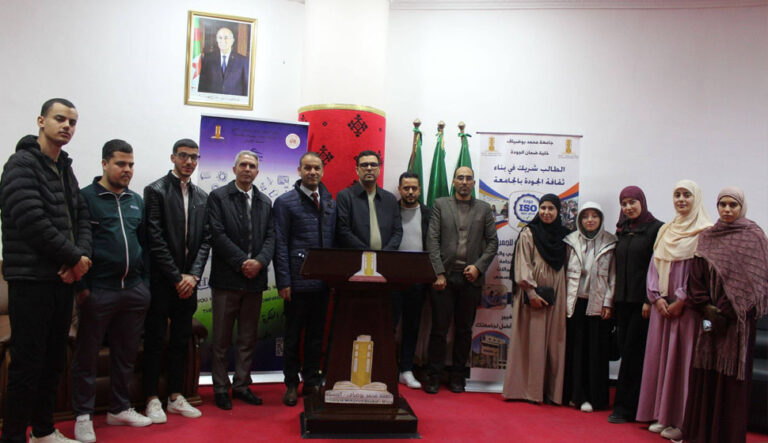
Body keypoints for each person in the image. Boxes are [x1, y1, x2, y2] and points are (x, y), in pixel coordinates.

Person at [0, 98, 92, 443]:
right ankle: (13, 436)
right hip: (31, 280)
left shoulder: (64, 166)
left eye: (72, 122)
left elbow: (81, 217)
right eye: (60, 119)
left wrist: (81, 258)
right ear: (41, 121)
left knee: (54, 361)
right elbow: (31, 220)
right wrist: (73, 258)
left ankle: (42, 431)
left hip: (63, 279)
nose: (67, 126)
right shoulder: (21, 164)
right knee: (27, 364)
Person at [71, 140, 152, 442]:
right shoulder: (85, 198)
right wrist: (82, 288)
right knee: (87, 356)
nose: (127, 169)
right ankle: (83, 415)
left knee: (125, 354)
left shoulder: (136, 200)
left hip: (133, 291)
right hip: (99, 290)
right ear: (104, 164)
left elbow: (144, 245)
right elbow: (76, 244)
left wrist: (144, 285)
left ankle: (119, 408)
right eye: (120, 163)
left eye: (131, 164)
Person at [681, 187, 768, 443]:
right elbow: (695, 277)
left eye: (733, 205)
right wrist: (706, 307)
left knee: (731, 381)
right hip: (709, 318)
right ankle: (700, 435)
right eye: (723, 204)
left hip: (738, 323)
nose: (727, 210)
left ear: (742, 207)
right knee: (705, 373)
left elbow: (759, 284)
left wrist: (727, 312)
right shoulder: (707, 237)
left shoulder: (754, 237)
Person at [636, 180, 712, 441]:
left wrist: (681, 299)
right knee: (660, 359)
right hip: (663, 308)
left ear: (696, 198)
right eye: (677, 195)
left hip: (686, 310)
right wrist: (655, 297)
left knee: (682, 362)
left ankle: (682, 420)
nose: (681, 200)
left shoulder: (705, 232)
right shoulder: (666, 230)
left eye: (686, 195)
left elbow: (702, 275)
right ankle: (662, 415)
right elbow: (653, 266)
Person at [142, 139, 211, 423]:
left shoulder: (202, 196)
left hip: (188, 284)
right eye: (184, 156)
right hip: (162, 281)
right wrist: (175, 277)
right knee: (155, 339)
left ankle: (175, 396)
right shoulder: (155, 190)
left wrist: (192, 276)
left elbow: (205, 240)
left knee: (181, 340)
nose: (189, 162)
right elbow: (154, 238)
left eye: (194, 157)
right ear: (173, 157)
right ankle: (150, 399)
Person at [206, 150, 274, 410]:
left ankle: (242, 385)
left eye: (252, 166)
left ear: (257, 171)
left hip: (254, 281)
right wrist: (242, 262)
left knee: (248, 338)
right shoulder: (218, 197)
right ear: (234, 169)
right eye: (243, 165)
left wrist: (259, 262)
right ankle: (221, 388)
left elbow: (271, 237)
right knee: (221, 340)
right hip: (226, 280)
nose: (247, 169)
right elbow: (216, 234)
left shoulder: (265, 201)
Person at [424, 166, 498, 394]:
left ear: (473, 183)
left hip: (470, 279)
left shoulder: (483, 209)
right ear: (454, 182)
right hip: (444, 278)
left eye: (468, 178)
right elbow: (432, 240)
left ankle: (457, 376)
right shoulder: (440, 205)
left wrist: (478, 267)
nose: (464, 182)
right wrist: (438, 272)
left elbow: (493, 243)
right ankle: (433, 376)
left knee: (464, 330)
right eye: (460, 178)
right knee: (439, 330)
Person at [273, 152, 336, 407]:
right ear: (299, 170)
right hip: (296, 283)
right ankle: (291, 383)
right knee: (292, 336)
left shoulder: (330, 202)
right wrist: (284, 282)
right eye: (307, 168)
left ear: (322, 171)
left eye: (317, 168)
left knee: (316, 336)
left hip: (322, 283)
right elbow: (280, 244)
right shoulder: (285, 202)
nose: (312, 172)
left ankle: (311, 380)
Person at [502, 193, 569, 404]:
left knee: (554, 342)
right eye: (543, 208)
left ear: (558, 211)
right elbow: (523, 264)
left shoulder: (566, 236)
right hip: (532, 294)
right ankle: (527, 390)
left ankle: (551, 392)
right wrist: (531, 293)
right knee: (531, 341)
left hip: (558, 292)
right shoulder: (529, 232)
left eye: (551, 208)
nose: (546, 212)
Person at [608, 186, 663, 424]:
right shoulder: (622, 230)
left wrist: (649, 300)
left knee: (634, 355)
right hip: (622, 303)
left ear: (642, 202)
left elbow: (657, 267)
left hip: (643, 305)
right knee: (625, 352)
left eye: (633, 202)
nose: (628, 207)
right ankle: (629, 404)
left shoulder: (656, 229)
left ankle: (627, 408)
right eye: (624, 203)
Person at [563, 201, 617, 412]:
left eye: (595, 216)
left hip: (598, 304)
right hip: (575, 303)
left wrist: (608, 303)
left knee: (596, 352)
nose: (590, 220)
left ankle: (596, 398)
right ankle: (576, 396)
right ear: (579, 219)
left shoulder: (610, 242)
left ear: (601, 219)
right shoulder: (570, 241)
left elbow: (613, 277)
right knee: (576, 351)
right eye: (586, 216)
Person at [393, 172, 431, 389]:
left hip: (417, 279)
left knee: (412, 326)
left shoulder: (428, 213)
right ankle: (387, 366)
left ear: (419, 190)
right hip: (392, 277)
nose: (410, 192)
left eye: (414, 188)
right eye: (406, 188)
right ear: (399, 189)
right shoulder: (390, 211)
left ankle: (406, 370)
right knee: (389, 325)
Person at [336, 150, 402, 250]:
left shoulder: (390, 199)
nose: (369, 168)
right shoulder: (345, 196)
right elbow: (343, 230)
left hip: (386, 256)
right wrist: (368, 254)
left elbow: (397, 231)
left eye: (373, 165)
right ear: (357, 170)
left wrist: (385, 253)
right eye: (364, 165)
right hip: (356, 256)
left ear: (379, 169)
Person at [198, 26, 249, 96]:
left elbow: (246, 88)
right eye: (220, 38)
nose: (223, 41)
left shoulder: (243, 61)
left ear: (232, 40)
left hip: (234, 101)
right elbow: (202, 85)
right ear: (217, 40)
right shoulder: (207, 58)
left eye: (226, 38)